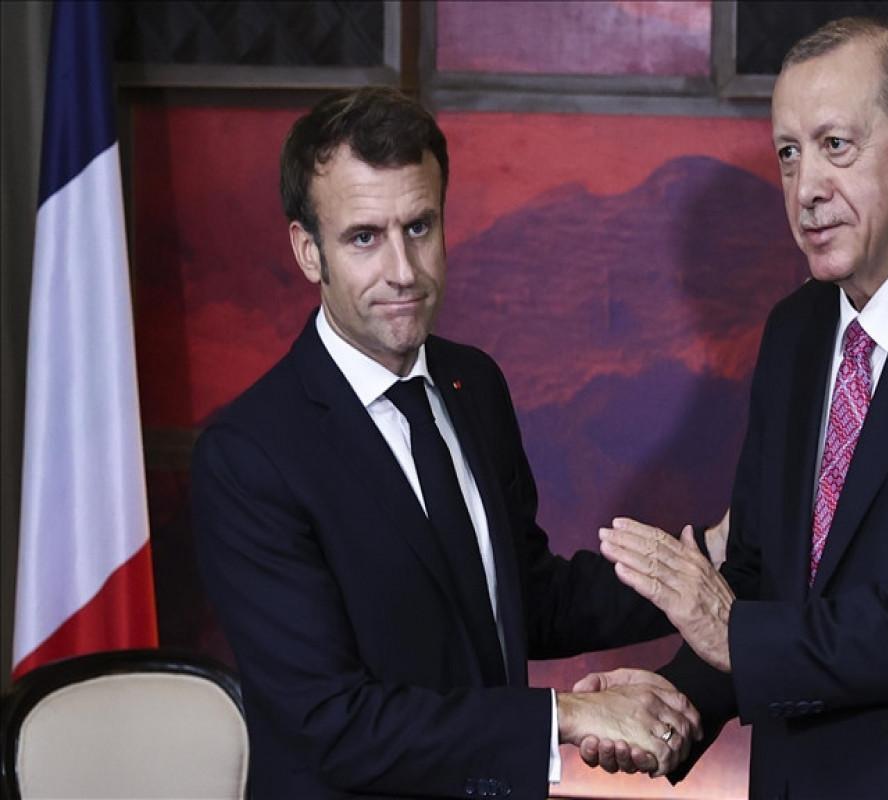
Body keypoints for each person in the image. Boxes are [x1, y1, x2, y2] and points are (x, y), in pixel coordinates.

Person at [586, 17, 888, 799]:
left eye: (835, 146)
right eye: (789, 153)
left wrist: (739, 638)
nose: (806, 188)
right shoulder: (795, 331)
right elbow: (760, 572)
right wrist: (676, 704)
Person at [191, 87, 703, 799]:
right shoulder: (248, 456)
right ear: (309, 252)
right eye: (364, 237)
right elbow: (334, 724)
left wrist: (705, 564)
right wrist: (567, 714)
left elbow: (522, 600)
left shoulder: (474, 384)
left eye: (419, 227)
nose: (403, 270)